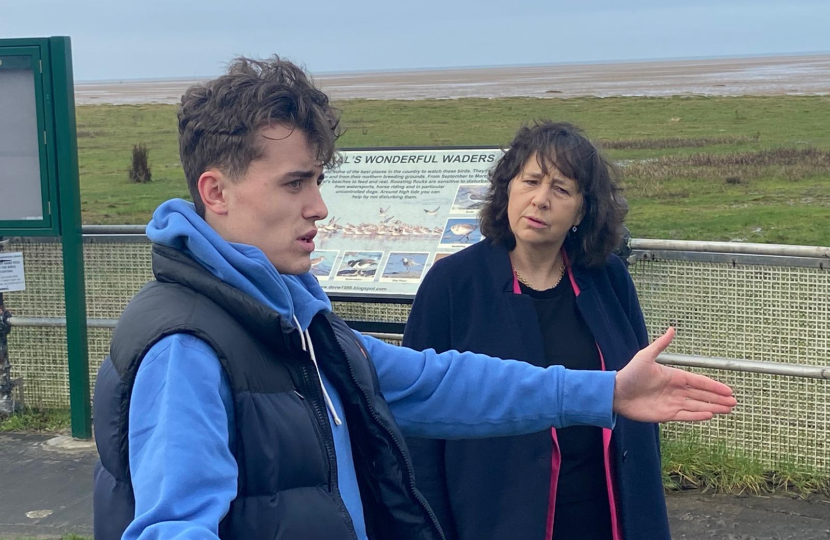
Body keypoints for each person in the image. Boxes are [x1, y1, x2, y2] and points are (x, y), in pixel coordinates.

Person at [91, 59, 735, 540]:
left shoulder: (291, 319)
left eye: (318, 180)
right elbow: (173, 527)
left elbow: (434, 382)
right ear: (216, 191)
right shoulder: (188, 346)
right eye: (294, 183)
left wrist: (604, 393)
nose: (318, 206)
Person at [404, 121, 675, 540]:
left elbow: (637, 403)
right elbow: (417, 427)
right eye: (530, 181)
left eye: (561, 189)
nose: (540, 200)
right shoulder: (452, 284)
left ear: (582, 211)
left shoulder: (609, 279)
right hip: (494, 518)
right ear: (507, 188)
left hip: (606, 516)